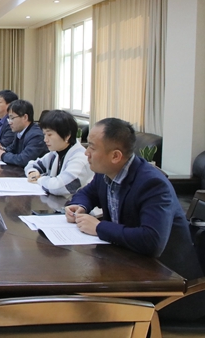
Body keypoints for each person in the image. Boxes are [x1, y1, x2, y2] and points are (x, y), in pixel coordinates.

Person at [65, 118, 204, 317]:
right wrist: (80, 206)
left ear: (115, 156)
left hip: (168, 287)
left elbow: (152, 241)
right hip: (128, 267)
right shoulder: (105, 173)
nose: (86, 152)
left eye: (92, 147)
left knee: (81, 308)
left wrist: (98, 228)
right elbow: (87, 193)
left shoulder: (152, 184)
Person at [25, 110, 93, 196]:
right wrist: (32, 173)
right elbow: (33, 165)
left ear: (67, 135)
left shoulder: (80, 158)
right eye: (44, 134)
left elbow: (59, 187)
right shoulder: (55, 153)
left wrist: (40, 179)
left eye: (49, 135)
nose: (45, 139)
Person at [0, 99, 48, 167]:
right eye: (9, 118)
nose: (9, 122)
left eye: (12, 118)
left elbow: (24, 160)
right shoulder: (20, 131)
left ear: (25, 117)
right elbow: (12, 149)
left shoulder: (36, 135)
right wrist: (2, 149)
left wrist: (3, 155)